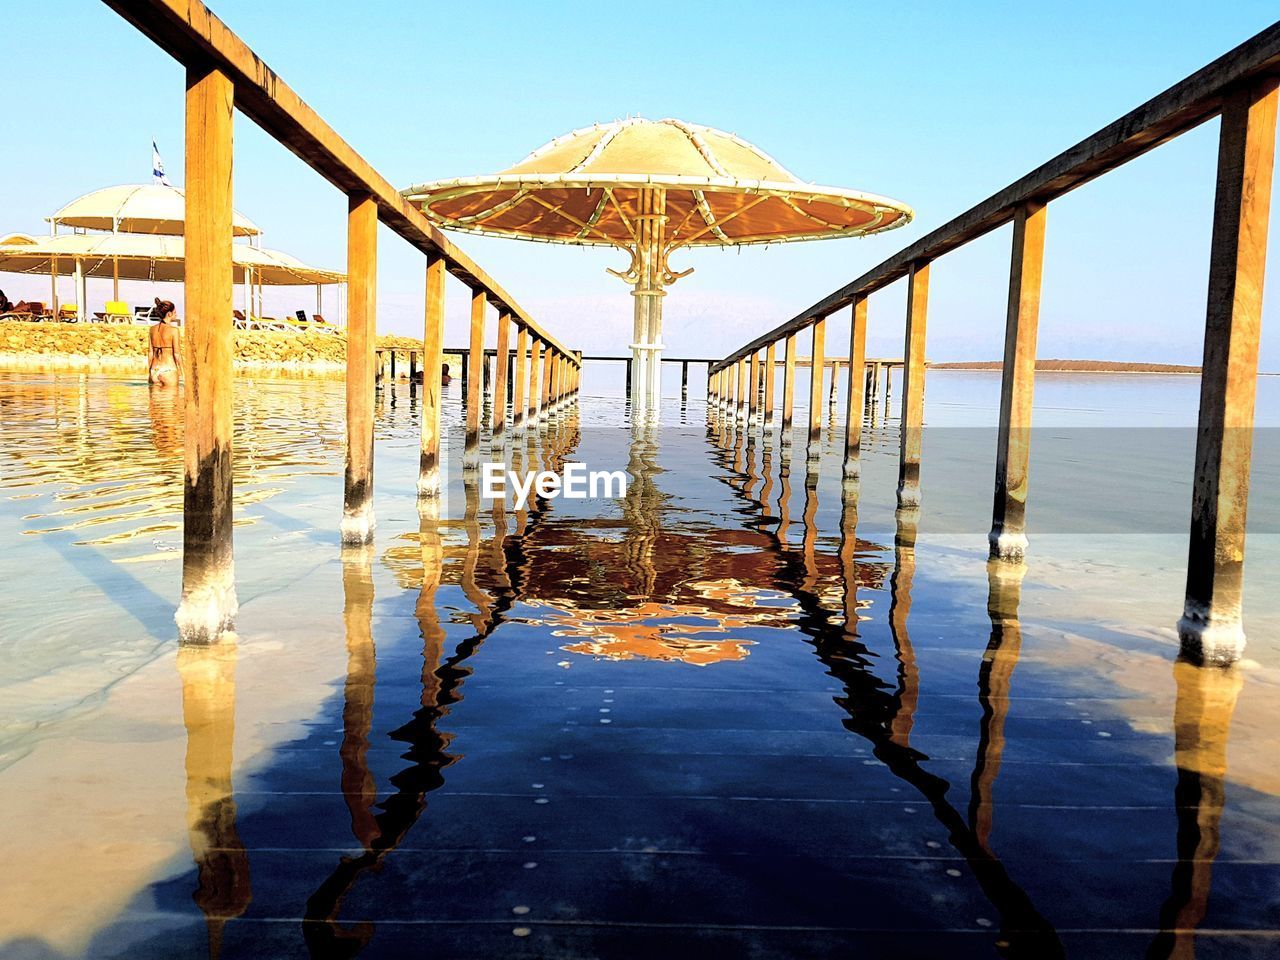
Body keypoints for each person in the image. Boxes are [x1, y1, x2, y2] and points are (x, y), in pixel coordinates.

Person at [148, 298, 182, 387]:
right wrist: (184, 373)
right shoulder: (174, 330)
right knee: (171, 400)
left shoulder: (152, 329)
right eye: (175, 312)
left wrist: (149, 372)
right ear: (169, 314)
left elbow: (150, 353)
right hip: (168, 369)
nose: (176, 314)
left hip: (154, 369)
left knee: (156, 401)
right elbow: (177, 354)